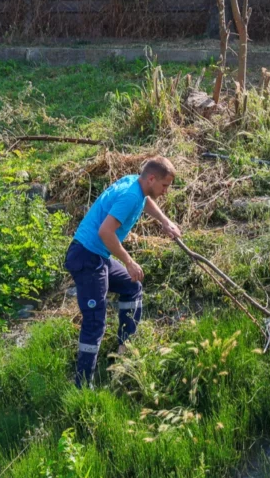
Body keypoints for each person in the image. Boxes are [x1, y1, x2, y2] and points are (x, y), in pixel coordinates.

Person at [66, 156, 181, 387]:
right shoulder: (130, 195)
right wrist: (128, 261)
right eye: (164, 185)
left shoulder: (135, 184)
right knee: (95, 321)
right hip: (87, 256)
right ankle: (82, 385)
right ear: (151, 178)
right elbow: (105, 232)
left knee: (132, 286)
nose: (166, 191)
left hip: (97, 255)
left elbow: (145, 200)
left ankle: (124, 350)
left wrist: (164, 221)